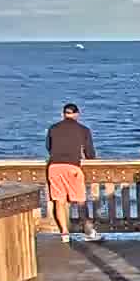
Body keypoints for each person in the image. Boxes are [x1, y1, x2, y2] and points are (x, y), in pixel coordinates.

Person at [46, 102, 100, 242]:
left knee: (59, 201)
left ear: (63, 114)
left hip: (54, 166)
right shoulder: (83, 129)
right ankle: (88, 231)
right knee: (81, 200)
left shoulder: (53, 128)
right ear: (77, 114)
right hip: (72, 167)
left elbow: (49, 147)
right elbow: (90, 153)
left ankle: (64, 233)